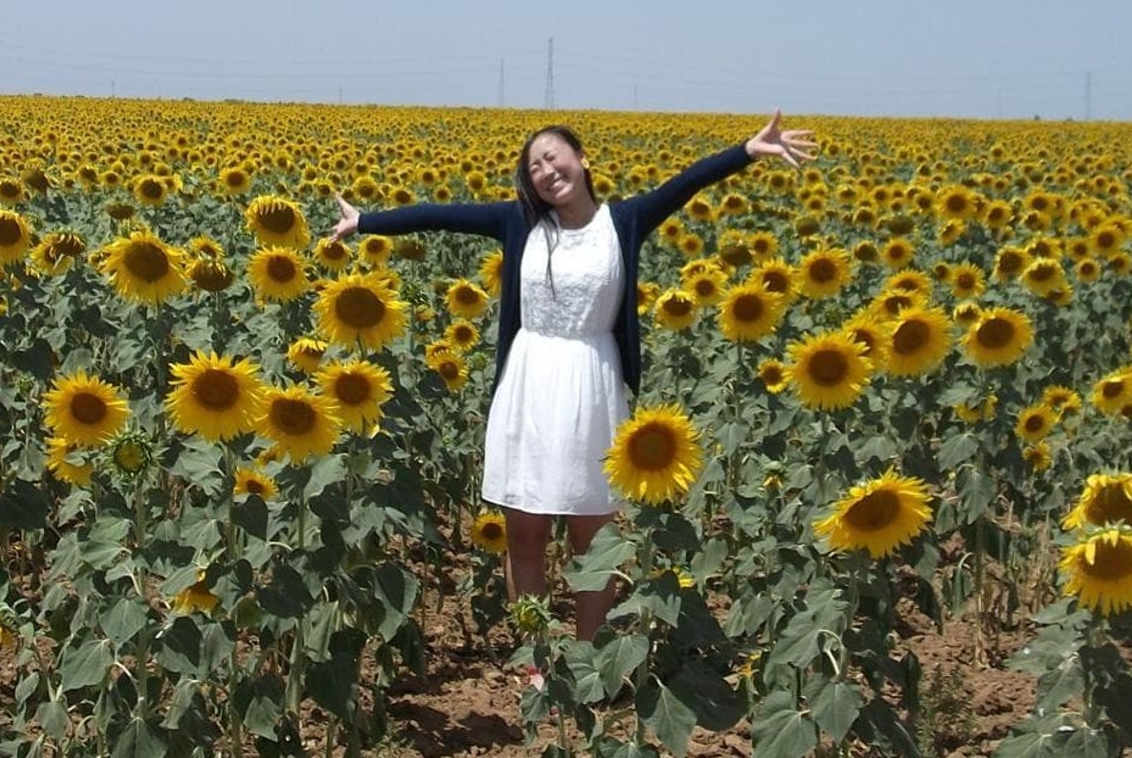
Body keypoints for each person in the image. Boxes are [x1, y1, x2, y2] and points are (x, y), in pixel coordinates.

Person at [328, 111, 815, 641]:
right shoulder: (521, 223)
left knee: (594, 535)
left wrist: (746, 150)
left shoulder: (624, 221)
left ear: (581, 160)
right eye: (533, 165)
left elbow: (686, 184)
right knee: (526, 532)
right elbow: (444, 215)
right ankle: (535, 659)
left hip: (593, 379)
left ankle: (590, 660)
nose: (544, 170)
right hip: (530, 380)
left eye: (552, 156)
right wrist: (367, 221)